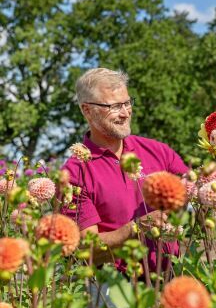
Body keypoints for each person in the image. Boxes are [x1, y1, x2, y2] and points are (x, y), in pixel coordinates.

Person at [62, 68, 188, 271]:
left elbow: (194, 191)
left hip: (172, 277)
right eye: (114, 106)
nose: (125, 113)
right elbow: (86, 248)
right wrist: (136, 228)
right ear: (87, 110)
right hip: (115, 289)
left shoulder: (156, 150)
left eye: (127, 103)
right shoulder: (75, 172)